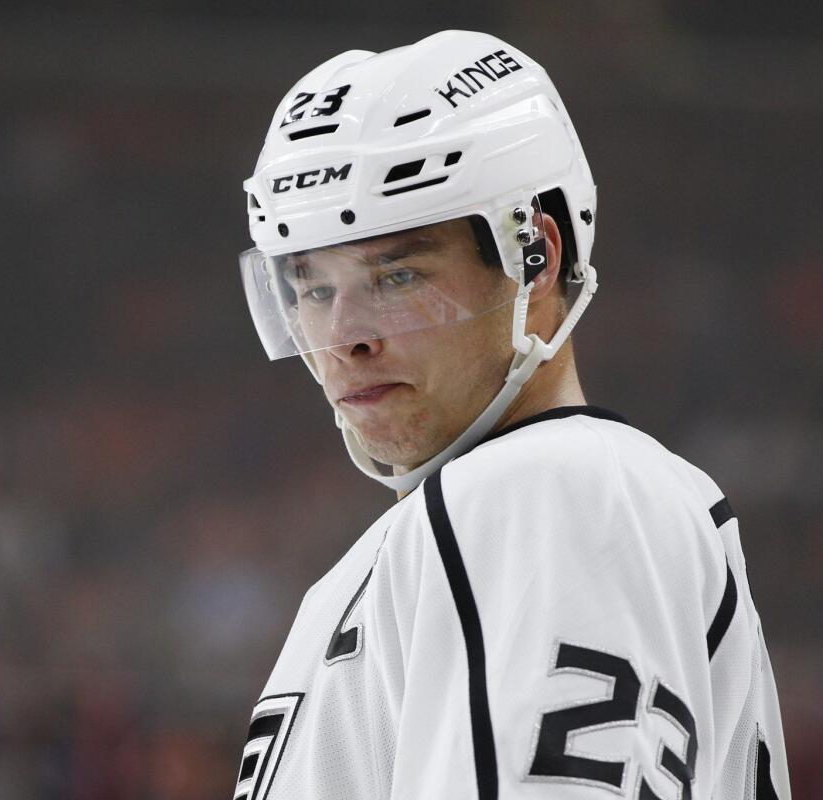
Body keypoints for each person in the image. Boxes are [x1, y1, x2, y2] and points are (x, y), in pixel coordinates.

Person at [233, 30, 790, 800]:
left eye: (395, 274)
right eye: (313, 288)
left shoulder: (550, 490)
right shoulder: (468, 522)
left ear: (539, 257)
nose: (342, 339)